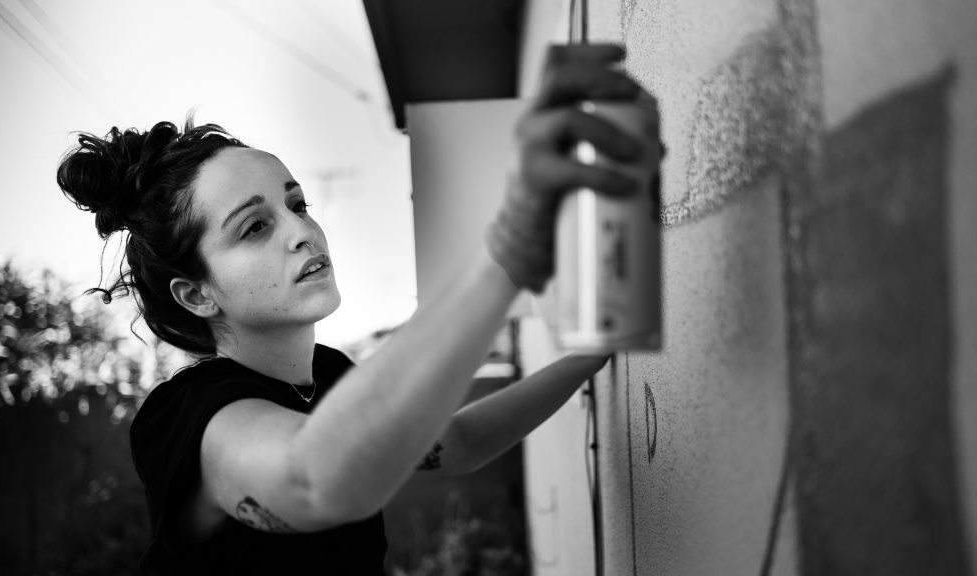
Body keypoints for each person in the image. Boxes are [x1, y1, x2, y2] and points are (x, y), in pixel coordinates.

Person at [56, 44, 651, 575]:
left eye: (297, 204)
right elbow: (315, 481)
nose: (302, 231)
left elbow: (460, 440)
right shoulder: (188, 416)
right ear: (197, 293)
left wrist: (589, 357)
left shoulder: (331, 374)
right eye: (255, 227)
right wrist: (510, 250)